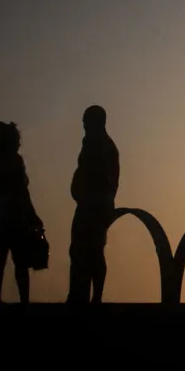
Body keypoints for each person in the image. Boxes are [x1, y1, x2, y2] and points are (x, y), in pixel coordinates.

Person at [0, 121, 43, 303]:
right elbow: (22, 192)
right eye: (17, 140)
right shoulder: (14, 161)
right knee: (20, 262)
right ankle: (24, 301)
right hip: (14, 216)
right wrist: (33, 216)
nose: (19, 143)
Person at [67, 105, 120, 304]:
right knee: (81, 250)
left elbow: (101, 178)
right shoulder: (92, 144)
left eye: (86, 122)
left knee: (93, 251)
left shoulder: (102, 146)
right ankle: (79, 295)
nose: (84, 126)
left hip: (95, 205)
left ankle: (93, 297)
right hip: (89, 203)